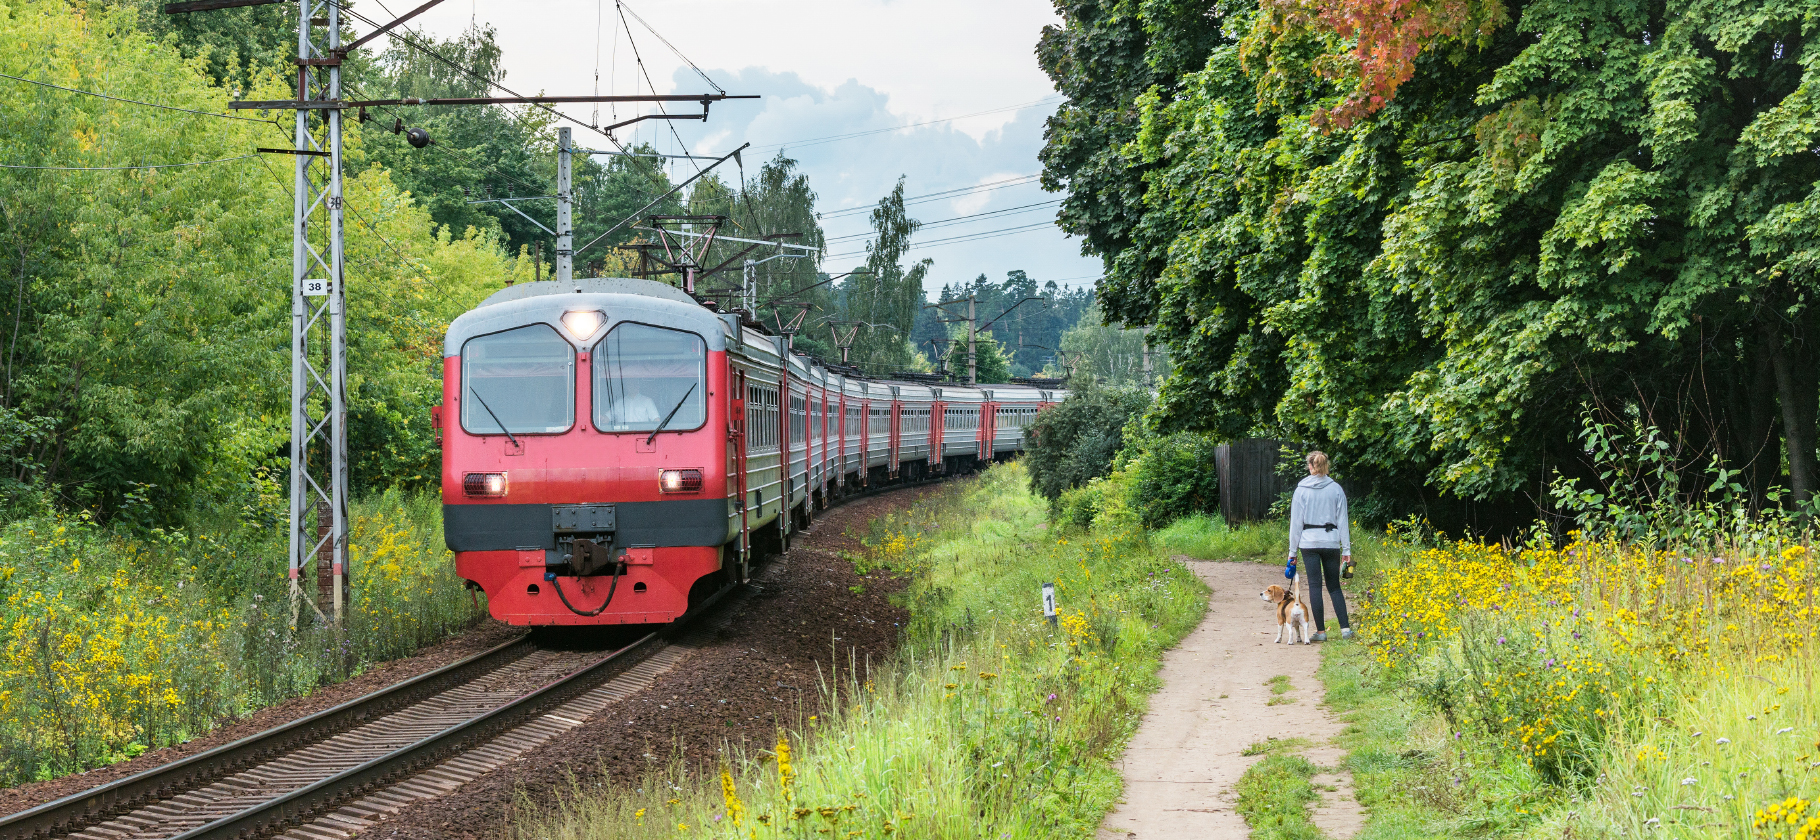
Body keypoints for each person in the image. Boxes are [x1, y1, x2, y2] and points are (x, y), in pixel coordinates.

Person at [1287, 451, 1352, 642]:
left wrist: (1292, 552)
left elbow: (1296, 524)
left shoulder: (1301, 490)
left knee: (1315, 586)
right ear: (1325, 466)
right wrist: (1346, 550)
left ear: (1311, 466)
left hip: (1308, 543)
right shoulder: (1336, 489)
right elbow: (1343, 521)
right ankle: (1345, 630)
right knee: (1334, 586)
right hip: (1331, 542)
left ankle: (1321, 632)